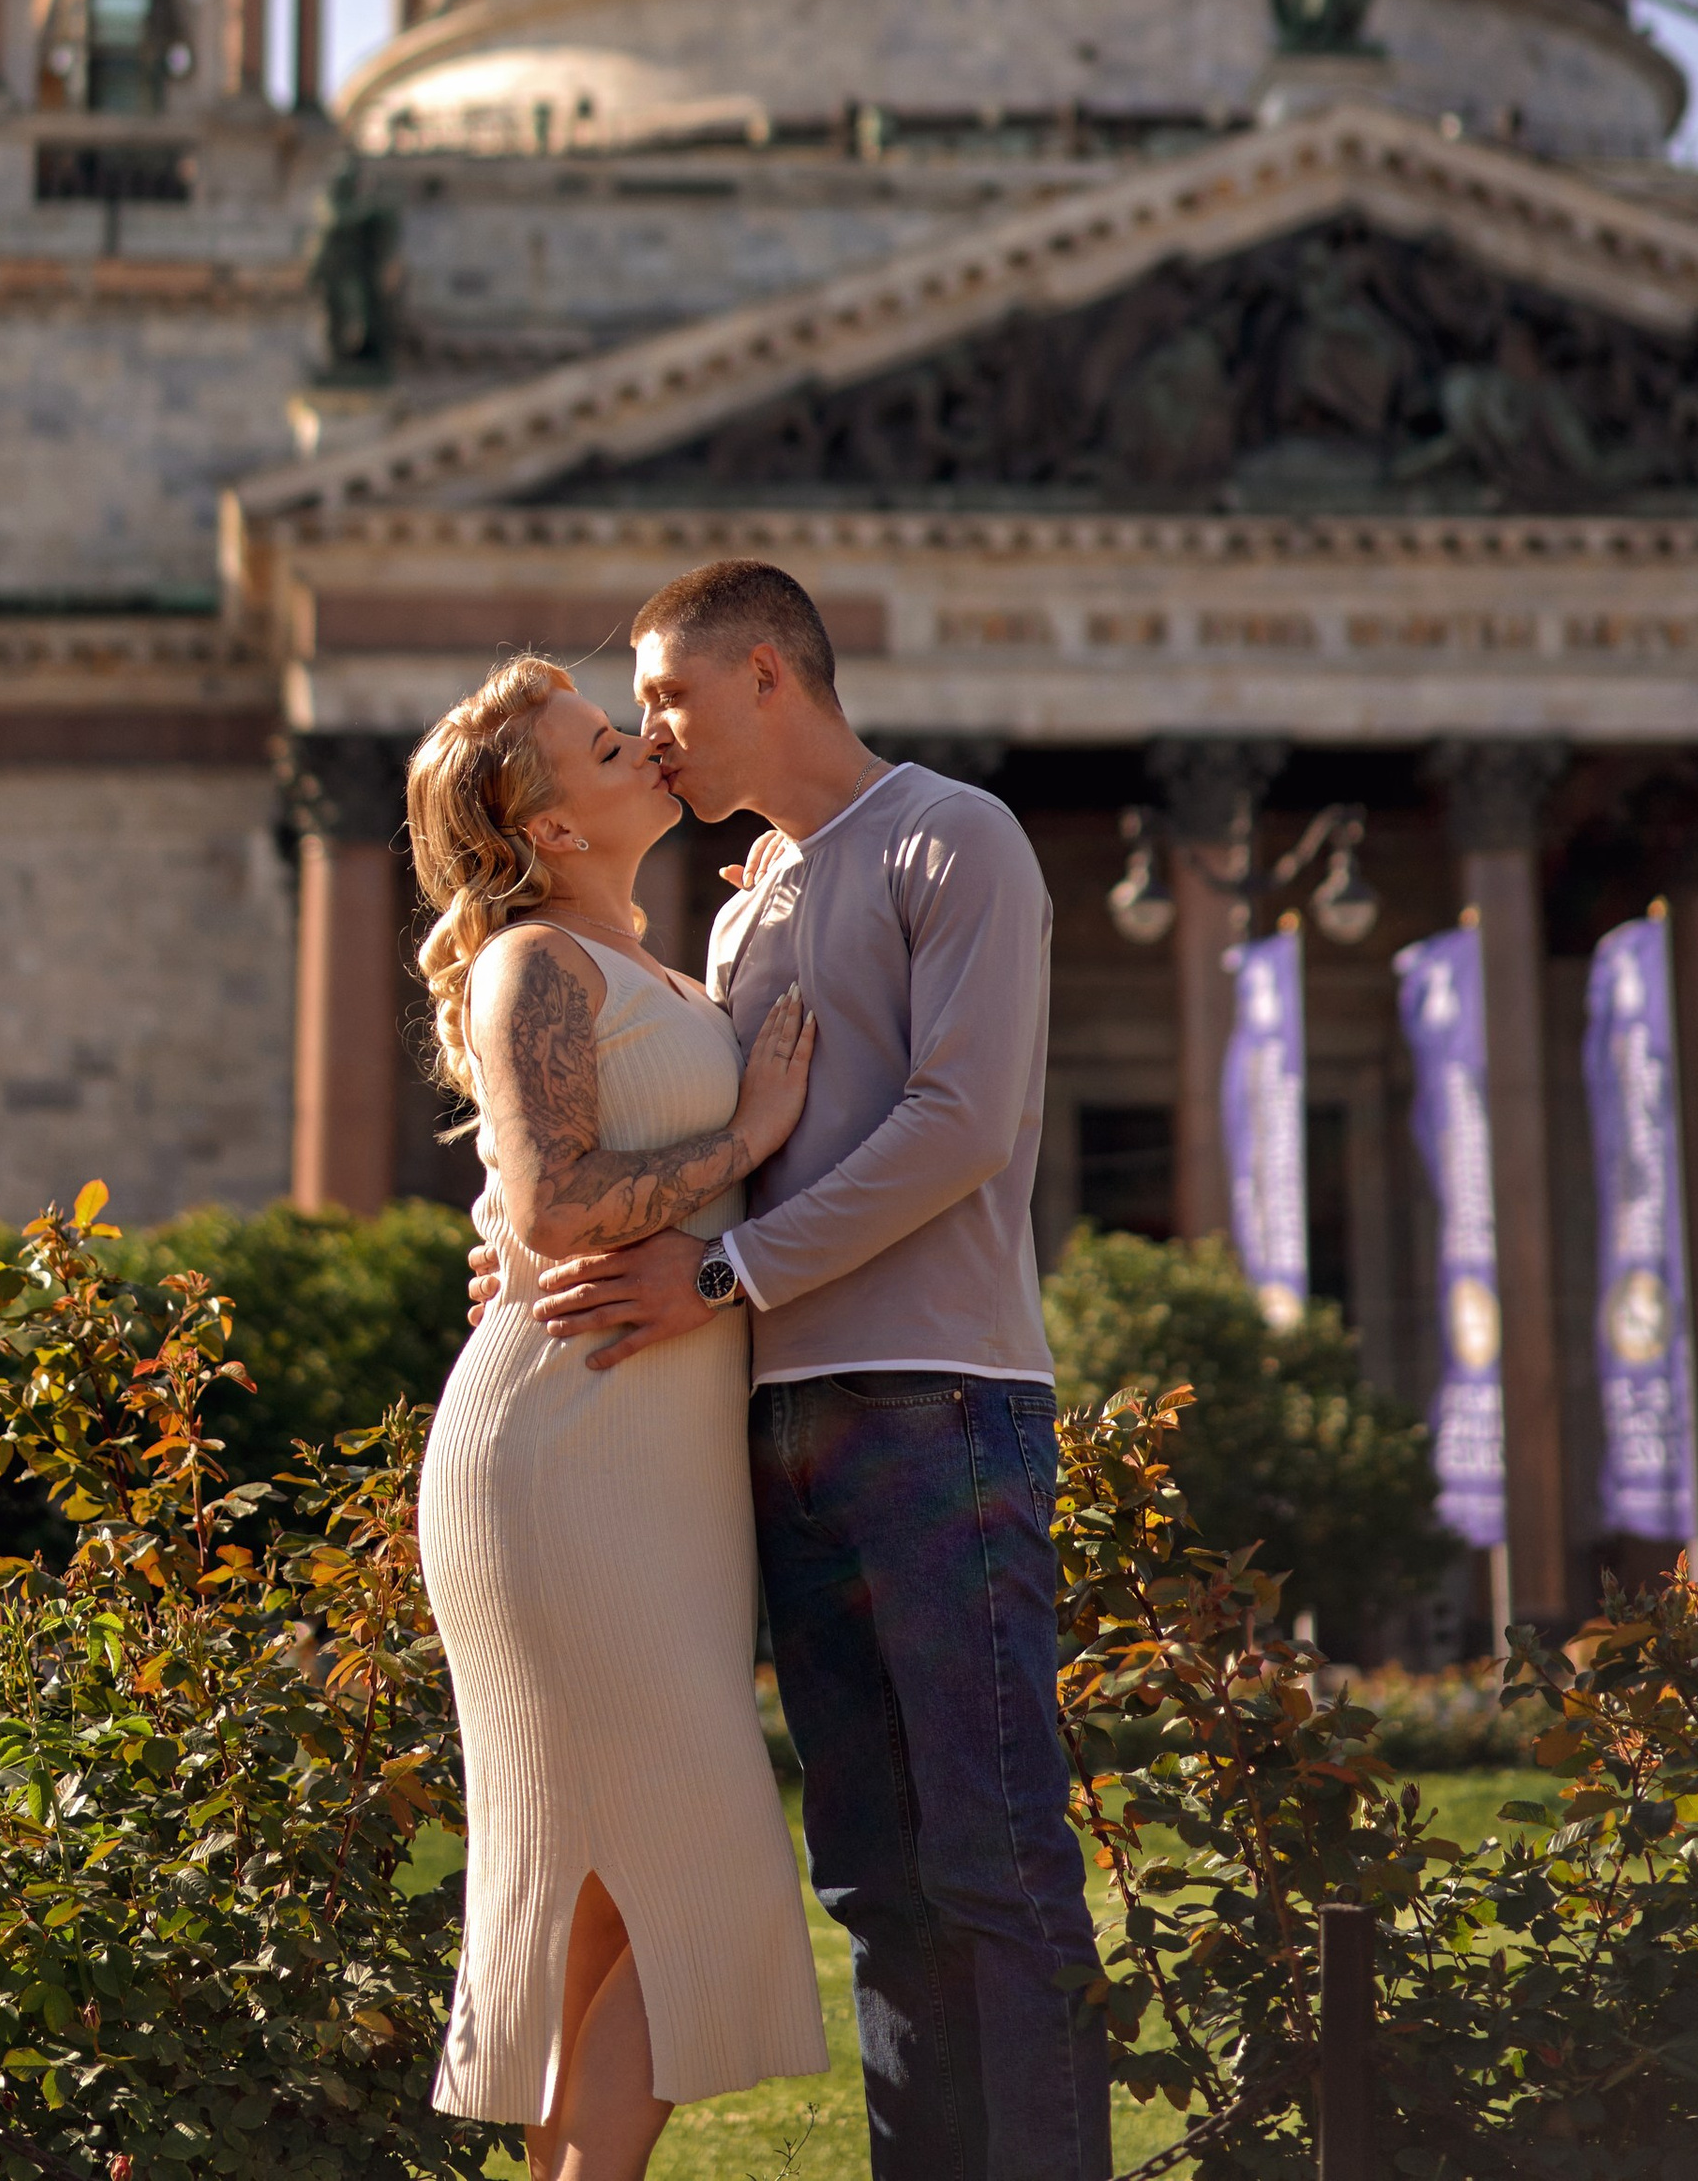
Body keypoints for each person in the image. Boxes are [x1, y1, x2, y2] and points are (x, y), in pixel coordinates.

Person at [512, 558, 1111, 2181]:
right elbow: (720, 1152)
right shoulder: (743, 898)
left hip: (940, 1410)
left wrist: (726, 1270)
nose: (652, 735)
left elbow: (960, 1126)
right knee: (875, 1888)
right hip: (775, 1432)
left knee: (995, 1867)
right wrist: (541, 1226)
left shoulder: (953, 836)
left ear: (770, 674)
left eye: (671, 699)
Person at [410, 652, 829, 2181]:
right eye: (601, 744)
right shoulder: (535, 963)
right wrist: (751, 1131)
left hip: (656, 1466)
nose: (642, 743)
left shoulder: (648, 960)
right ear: (548, 824)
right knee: (696, 1851)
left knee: (598, 1890)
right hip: (565, 1450)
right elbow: (555, 1204)